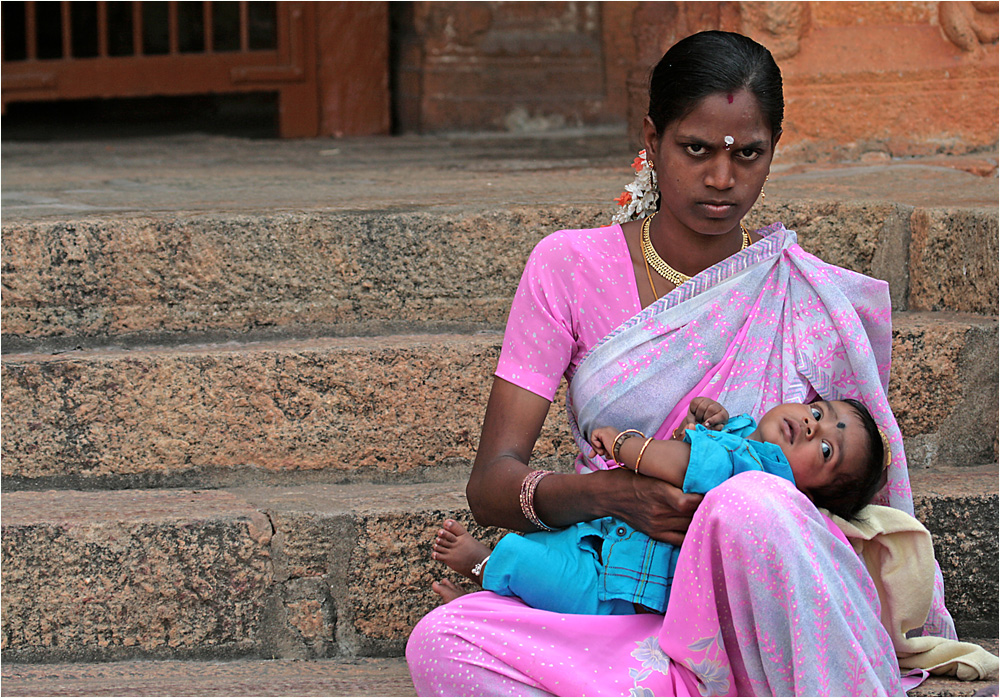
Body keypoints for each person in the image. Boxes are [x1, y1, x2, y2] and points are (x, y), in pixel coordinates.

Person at [406, 30, 958, 696]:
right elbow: (491, 487)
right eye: (696, 149)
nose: (722, 179)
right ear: (652, 137)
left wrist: (736, 509)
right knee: (441, 643)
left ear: (773, 151)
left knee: (754, 498)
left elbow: (850, 499)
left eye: (748, 155)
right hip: (617, 591)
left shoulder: (806, 297)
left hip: (760, 613)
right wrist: (617, 495)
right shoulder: (568, 269)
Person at [430, 396, 887, 616]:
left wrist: (628, 444)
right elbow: (701, 455)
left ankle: (485, 566)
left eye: (826, 451)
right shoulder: (743, 433)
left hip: (627, 587)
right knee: (553, 566)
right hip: (612, 535)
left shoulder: (765, 478)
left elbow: (685, 462)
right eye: (819, 411)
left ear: (808, 497)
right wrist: (709, 421)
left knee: (547, 573)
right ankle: (488, 611)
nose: (812, 427)